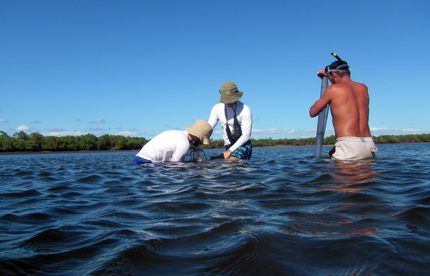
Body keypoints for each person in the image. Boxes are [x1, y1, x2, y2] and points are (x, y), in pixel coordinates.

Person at [309, 56, 378, 160]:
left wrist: (318, 101)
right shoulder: (363, 87)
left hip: (348, 144)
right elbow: (342, 88)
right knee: (364, 176)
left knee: (342, 176)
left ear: (334, 74)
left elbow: (312, 112)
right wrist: (329, 77)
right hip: (368, 143)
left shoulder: (333, 90)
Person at [131, 120, 213, 164]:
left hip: (136, 159)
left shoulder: (176, 133)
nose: (200, 144)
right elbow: (175, 166)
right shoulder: (184, 144)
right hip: (146, 163)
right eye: (201, 141)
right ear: (198, 137)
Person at [208, 81, 253, 160]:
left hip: (243, 145)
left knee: (231, 162)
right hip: (228, 146)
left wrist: (229, 151)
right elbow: (209, 127)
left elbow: (246, 135)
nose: (228, 102)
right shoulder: (217, 108)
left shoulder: (245, 109)